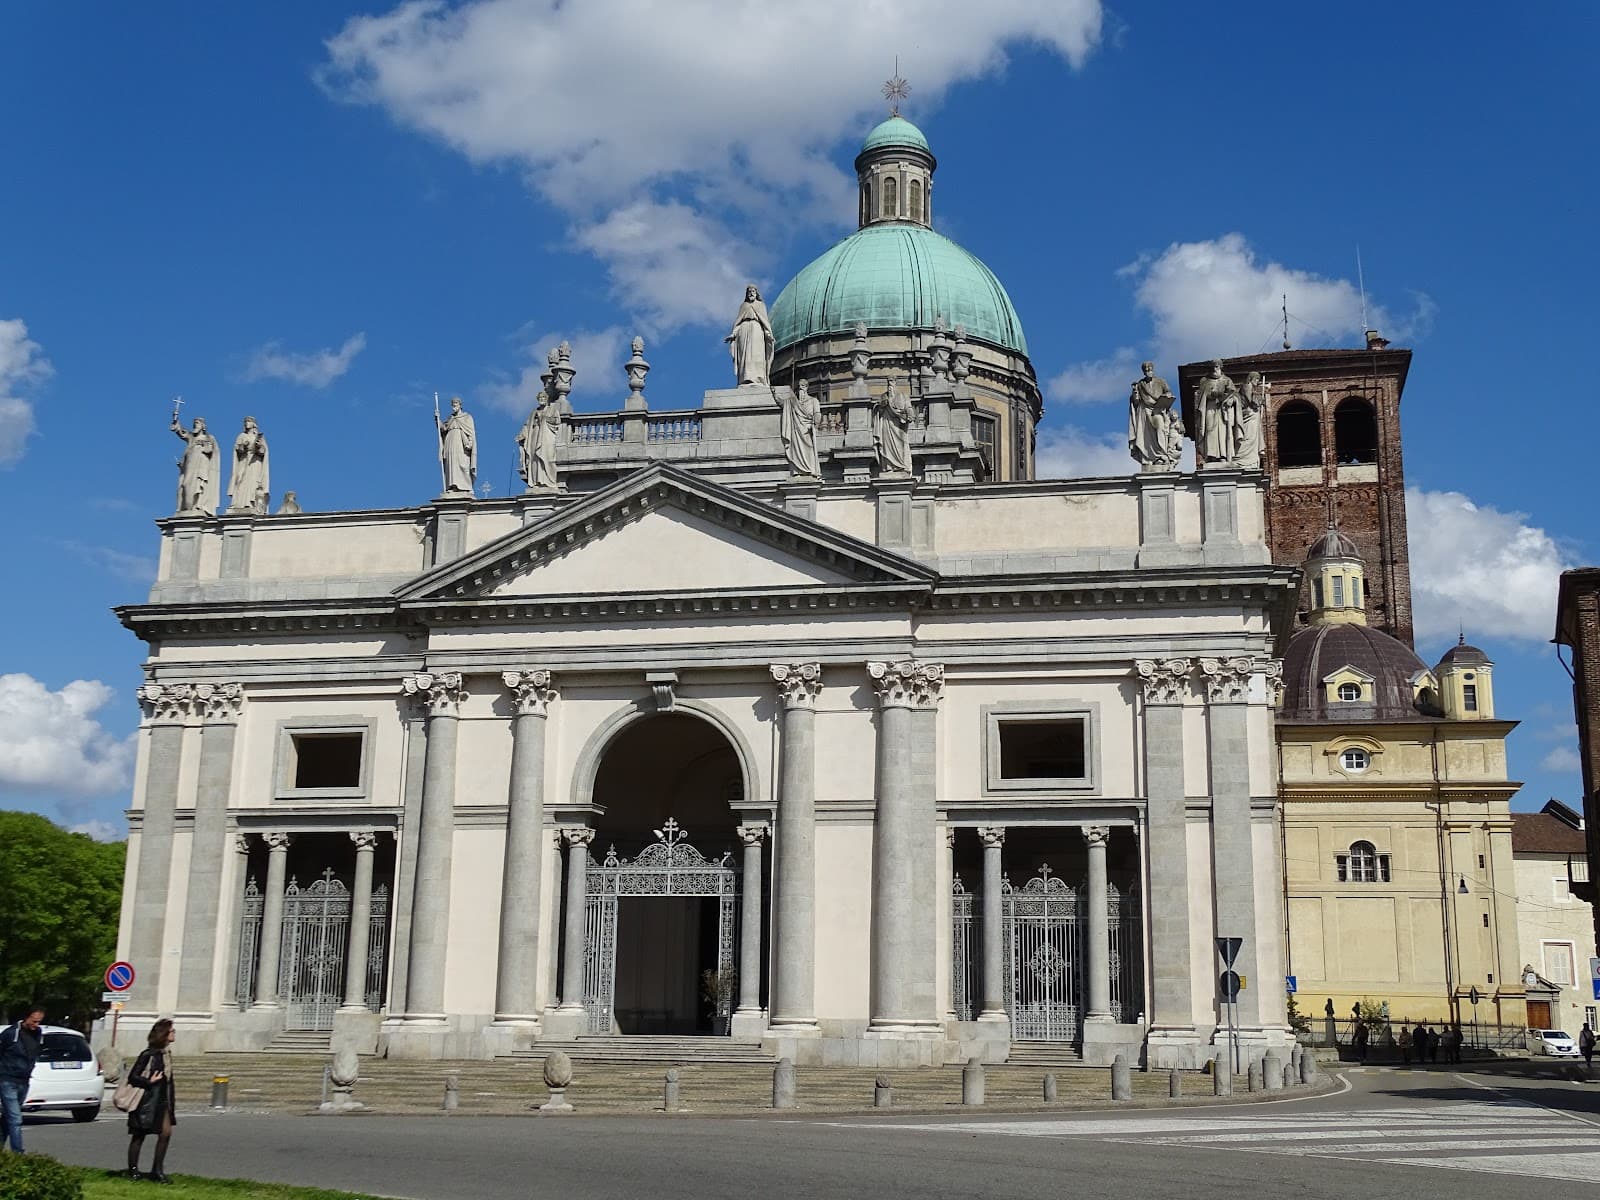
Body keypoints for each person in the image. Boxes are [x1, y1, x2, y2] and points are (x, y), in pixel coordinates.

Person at [127, 1018, 177, 1183]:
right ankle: (133, 1170)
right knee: (139, 1135)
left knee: (166, 1133)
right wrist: (149, 1081)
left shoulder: (166, 1054)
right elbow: (133, 1076)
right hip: (146, 1101)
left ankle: (157, 1170)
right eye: (172, 1031)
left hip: (163, 1101)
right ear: (164, 1034)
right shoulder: (148, 1054)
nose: (174, 1033)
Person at [0, 1007, 44, 1153]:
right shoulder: (11, 1033)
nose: (36, 1024)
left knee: (8, 1117)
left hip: (24, 1081)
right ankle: (18, 1154)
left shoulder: (38, 1033)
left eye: (39, 1021)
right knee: (16, 1118)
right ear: (26, 1017)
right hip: (7, 1080)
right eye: (34, 1021)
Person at [1127, 361, 1183, 472]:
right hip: (1144, 411)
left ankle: (1162, 454)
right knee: (1146, 435)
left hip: (1158, 410)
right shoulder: (1140, 384)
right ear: (1144, 372)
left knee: (1160, 428)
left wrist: (1167, 396)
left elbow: (1168, 392)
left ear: (1153, 369)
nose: (1148, 371)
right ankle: (1148, 457)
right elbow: (1136, 402)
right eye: (1146, 370)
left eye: (1150, 369)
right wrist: (1135, 393)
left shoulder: (1161, 381)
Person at [726, 285, 774, 387]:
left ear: (756, 293)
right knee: (744, 355)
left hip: (757, 329)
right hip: (743, 330)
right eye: (749, 292)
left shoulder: (761, 305)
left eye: (753, 291)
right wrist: (733, 334)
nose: (751, 293)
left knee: (757, 353)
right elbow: (738, 322)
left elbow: (765, 322)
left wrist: (768, 334)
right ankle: (745, 378)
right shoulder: (743, 306)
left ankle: (758, 378)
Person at [171, 416, 220, 514]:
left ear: (203, 426)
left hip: (201, 466)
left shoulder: (208, 438)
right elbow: (181, 432)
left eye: (197, 423)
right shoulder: (191, 437)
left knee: (198, 485)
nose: (195, 425)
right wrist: (176, 420)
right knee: (185, 484)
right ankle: (186, 507)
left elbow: (210, 450)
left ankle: (197, 506)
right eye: (194, 424)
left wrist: (205, 446)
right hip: (189, 466)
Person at [227, 416, 270, 514]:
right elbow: (238, 450)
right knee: (240, 480)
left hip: (255, 463)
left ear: (254, 424)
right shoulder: (241, 436)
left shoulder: (258, 437)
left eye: (249, 421)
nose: (246, 423)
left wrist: (258, 447)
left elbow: (263, 451)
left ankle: (251, 503)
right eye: (245, 421)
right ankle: (239, 503)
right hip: (244, 461)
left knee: (253, 482)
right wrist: (243, 446)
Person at [780, 378, 822, 478]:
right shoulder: (792, 402)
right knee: (795, 450)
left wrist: (815, 426)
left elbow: (817, 414)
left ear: (807, 387)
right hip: (796, 431)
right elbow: (782, 403)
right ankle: (797, 471)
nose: (800, 389)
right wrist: (773, 393)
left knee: (809, 449)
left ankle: (810, 469)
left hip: (807, 430)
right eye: (798, 387)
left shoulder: (813, 401)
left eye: (802, 386)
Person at [437, 396, 478, 496]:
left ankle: (466, 487)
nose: (453, 407)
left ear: (460, 405)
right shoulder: (450, 418)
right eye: (452, 405)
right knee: (451, 464)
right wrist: (437, 419)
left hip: (461, 443)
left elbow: (471, 433)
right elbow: (443, 428)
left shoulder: (467, 417)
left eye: (455, 405)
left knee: (462, 463)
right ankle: (452, 486)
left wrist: (470, 443)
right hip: (450, 442)